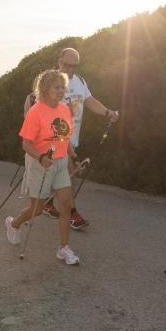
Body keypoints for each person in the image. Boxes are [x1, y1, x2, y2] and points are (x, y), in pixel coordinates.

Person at [39, 47, 119, 230]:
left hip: (72, 138)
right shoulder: (51, 81)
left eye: (74, 66)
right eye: (67, 65)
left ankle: (46, 202)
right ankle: (73, 214)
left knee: (62, 174)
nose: (70, 69)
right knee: (68, 176)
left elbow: (90, 101)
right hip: (55, 139)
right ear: (60, 61)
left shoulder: (80, 81)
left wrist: (107, 112)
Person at [6, 70, 81, 265]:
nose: (61, 91)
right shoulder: (35, 112)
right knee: (37, 209)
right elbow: (26, 144)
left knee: (65, 204)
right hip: (40, 165)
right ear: (45, 89)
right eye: (57, 87)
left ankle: (63, 248)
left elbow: (65, 138)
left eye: (63, 87)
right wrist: (41, 158)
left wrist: (74, 156)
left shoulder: (65, 109)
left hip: (61, 163)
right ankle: (14, 224)